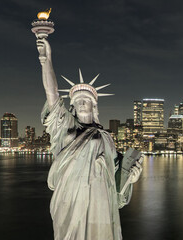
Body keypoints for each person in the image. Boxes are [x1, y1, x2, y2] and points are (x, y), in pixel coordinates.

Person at [36, 37, 142, 240]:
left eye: (87, 100)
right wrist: (46, 59)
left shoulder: (105, 137)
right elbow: (52, 94)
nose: (82, 103)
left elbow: (117, 179)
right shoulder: (66, 127)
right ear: (72, 107)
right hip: (70, 196)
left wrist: (131, 179)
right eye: (77, 101)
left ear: (95, 106)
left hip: (100, 198)